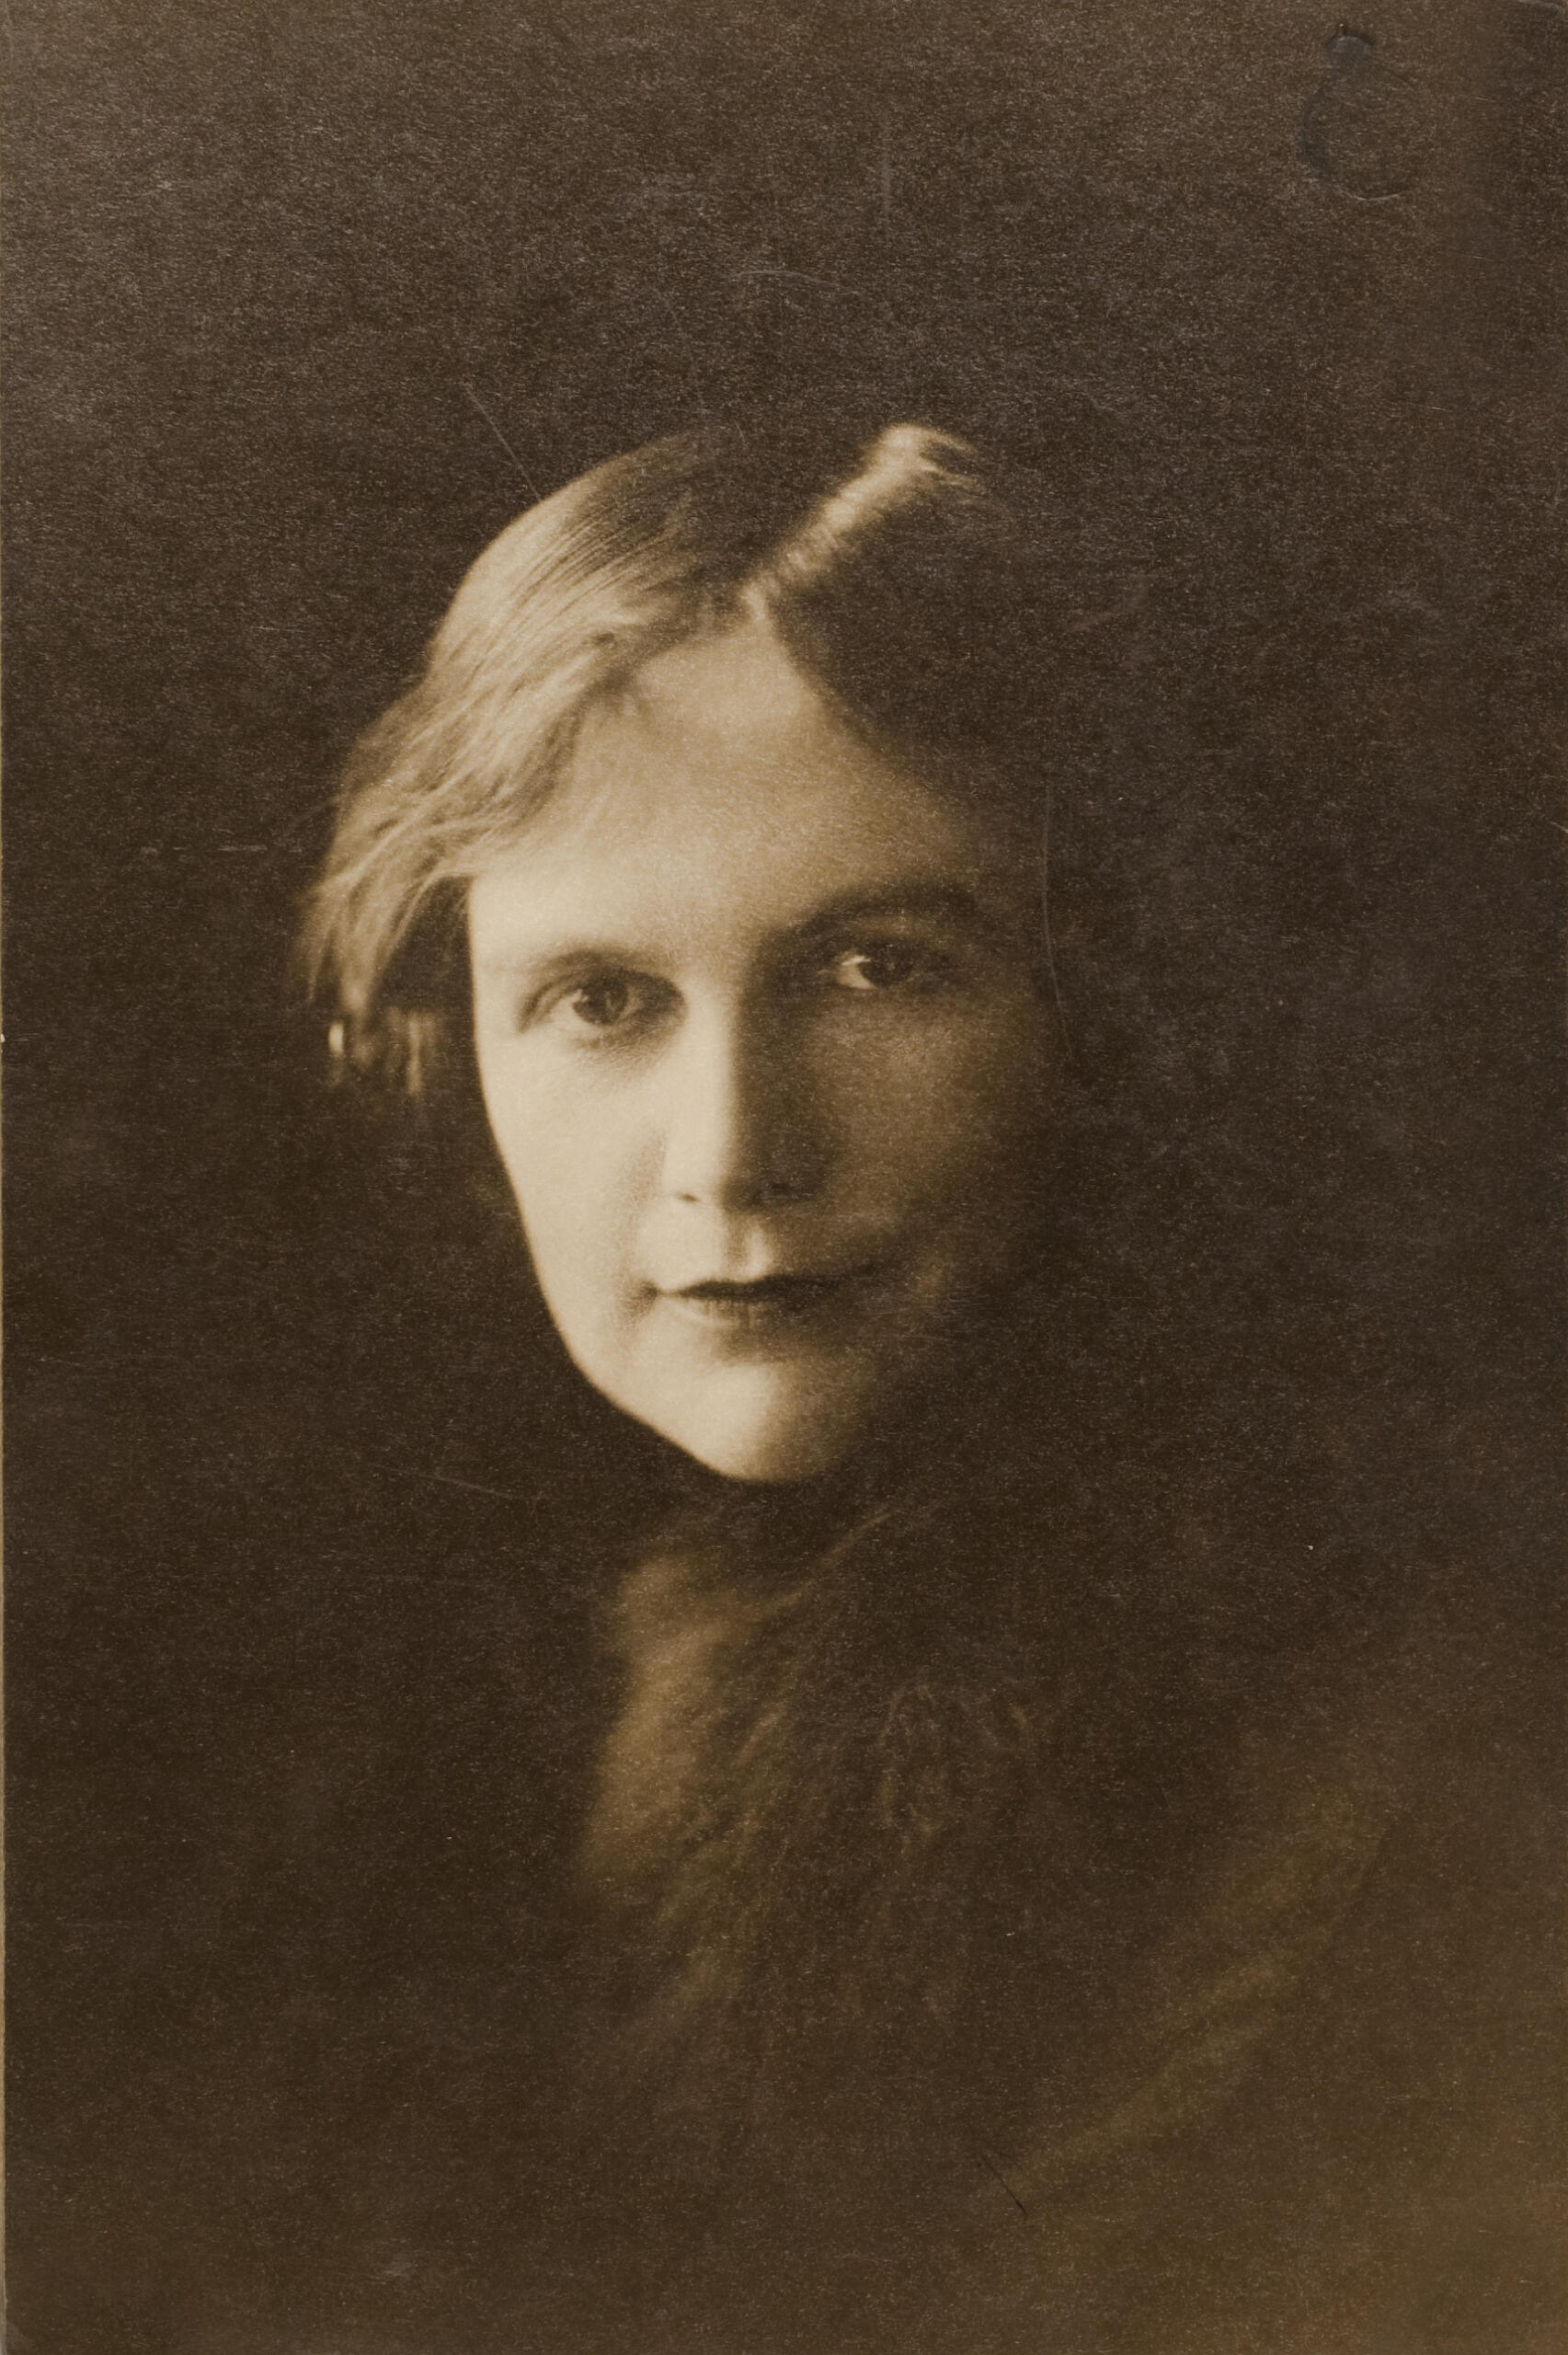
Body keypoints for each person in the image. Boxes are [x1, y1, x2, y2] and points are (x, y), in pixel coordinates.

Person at [283, 421, 1558, 2355]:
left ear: (1111, 1005)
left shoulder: (1381, 1775)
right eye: (602, 999)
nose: (731, 1148)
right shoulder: (405, 1701)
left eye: (879, 966)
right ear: (456, 1046)